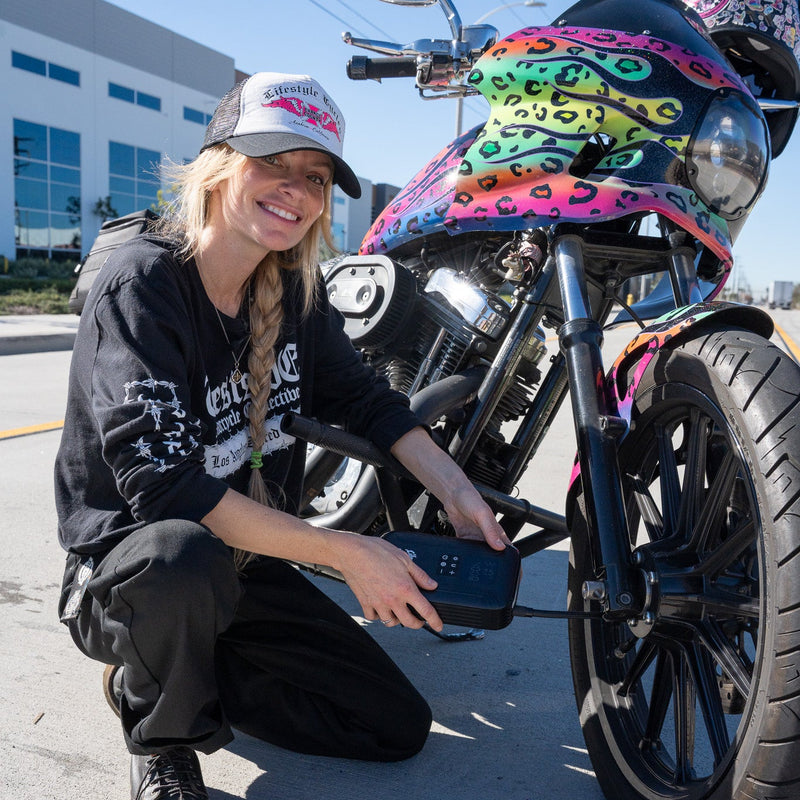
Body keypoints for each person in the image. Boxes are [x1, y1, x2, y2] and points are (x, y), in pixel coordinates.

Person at [54, 71, 509, 800]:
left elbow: (369, 403)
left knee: (393, 726)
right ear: (218, 165)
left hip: (242, 563)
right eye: (274, 162)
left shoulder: (296, 293)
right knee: (180, 553)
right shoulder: (144, 287)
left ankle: (176, 669)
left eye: (316, 177)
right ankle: (164, 735)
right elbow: (166, 490)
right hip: (132, 575)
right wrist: (347, 553)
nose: (296, 189)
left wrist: (457, 493)